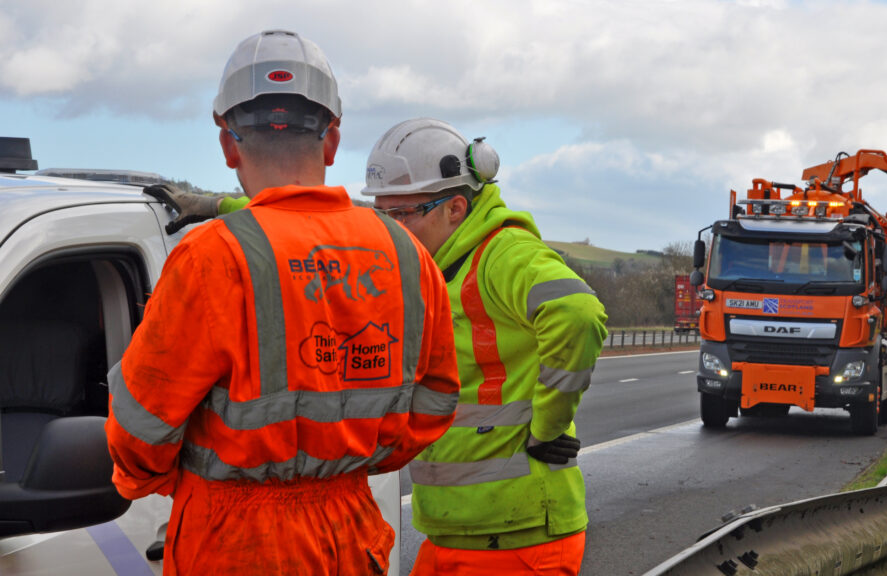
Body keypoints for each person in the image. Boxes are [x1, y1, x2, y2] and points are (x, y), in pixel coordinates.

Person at [105, 31, 460, 575]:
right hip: (351, 532)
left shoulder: (213, 257)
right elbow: (435, 402)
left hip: (233, 543)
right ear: (332, 140)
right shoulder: (405, 254)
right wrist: (345, 463)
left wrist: (160, 482)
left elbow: (140, 428)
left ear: (228, 144)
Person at [362, 118, 608, 575]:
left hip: (515, 539)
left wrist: (547, 426)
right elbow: (329, 226)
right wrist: (227, 205)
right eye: (383, 215)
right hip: (453, 533)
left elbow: (577, 312)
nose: (389, 230)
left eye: (400, 216)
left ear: (455, 208)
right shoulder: (434, 261)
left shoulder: (503, 253)